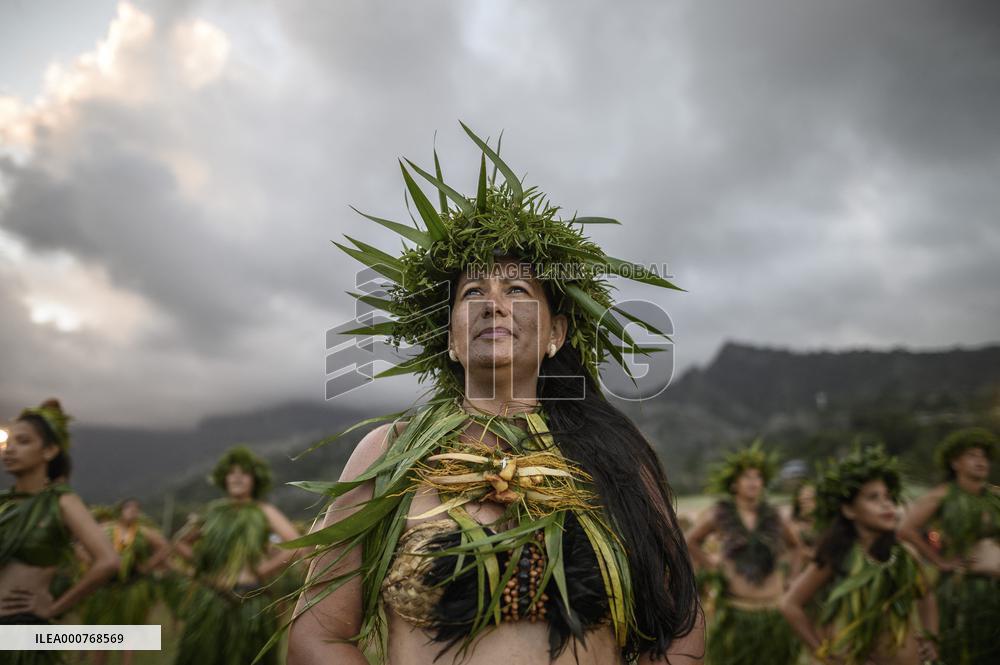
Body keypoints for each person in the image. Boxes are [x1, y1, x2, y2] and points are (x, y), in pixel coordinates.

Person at [285, 123, 704, 665]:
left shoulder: (616, 453)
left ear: (556, 335)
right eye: (474, 291)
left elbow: (682, 624)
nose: (494, 304)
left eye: (518, 291)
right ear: (452, 340)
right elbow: (317, 636)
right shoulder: (390, 452)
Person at [781, 444, 939, 665]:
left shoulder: (903, 555)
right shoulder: (836, 557)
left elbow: (927, 595)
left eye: (888, 497)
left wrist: (932, 637)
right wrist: (824, 654)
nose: (886, 504)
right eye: (873, 498)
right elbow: (790, 604)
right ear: (849, 510)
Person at [0, 399, 120, 665]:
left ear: (50, 450)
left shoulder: (60, 502)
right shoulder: (3, 504)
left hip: (21, 632)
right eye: (9, 442)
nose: (10, 449)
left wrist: (54, 608)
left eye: (23, 441)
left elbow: (108, 561)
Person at [171, 445, 303, 665]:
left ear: (255, 480)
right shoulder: (214, 512)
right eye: (232, 473)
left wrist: (263, 570)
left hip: (249, 601)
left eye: (244, 473)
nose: (237, 478)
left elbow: (296, 544)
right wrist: (204, 565)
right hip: (212, 599)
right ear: (224, 478)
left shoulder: (263, 511)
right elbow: (180, 542)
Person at [686, 441, 801, 665]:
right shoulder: (720, 515)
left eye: (758, 477)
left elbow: (796, 546)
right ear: (734, 484)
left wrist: (793, 579)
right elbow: (690, 540)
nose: (754, 482)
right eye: (747, 477)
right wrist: (712, 565)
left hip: (773, 613)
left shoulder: (775, 516)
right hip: (736, 615)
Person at [898, 427, 999, 665]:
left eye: (983, 456)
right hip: (963, 591)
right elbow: (905, 529)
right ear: (955, 462)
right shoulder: (942, 496)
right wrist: (940, 562)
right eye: (972, 456)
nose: (980, 461)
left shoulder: (994, 496)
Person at [81, 498, 171, 665]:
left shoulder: (143, 532)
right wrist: (94, 563)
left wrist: (148, 565)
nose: (133, 511)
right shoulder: (106, 529)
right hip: (107, 587)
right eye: (129, 508)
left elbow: (165, 547)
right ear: (120, 510)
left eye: (137, 509)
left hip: (131, 587)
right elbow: (82, 545)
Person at [790, 480, 819, 567]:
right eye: (803, 501)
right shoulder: (795, 527)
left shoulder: (825, 524)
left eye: (809, 499)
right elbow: (802, 553)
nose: (805, 504)